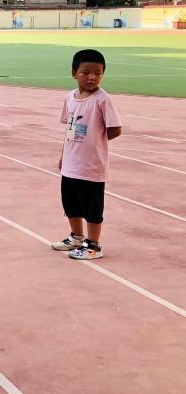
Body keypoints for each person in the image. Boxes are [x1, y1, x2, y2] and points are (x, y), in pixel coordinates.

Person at [51, 49, 122, 260]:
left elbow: (115, 129)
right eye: (86, 72)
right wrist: (64, 154)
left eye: (98, 73)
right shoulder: (69, 97)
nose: (92, 77)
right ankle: (77, 237)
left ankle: (93, 245)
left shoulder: (102, 100)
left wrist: (95, 141)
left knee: (92, 206)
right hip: (71, 163)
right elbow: (70, 129)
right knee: (70, 203)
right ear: (74, 73)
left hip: (92, 166)